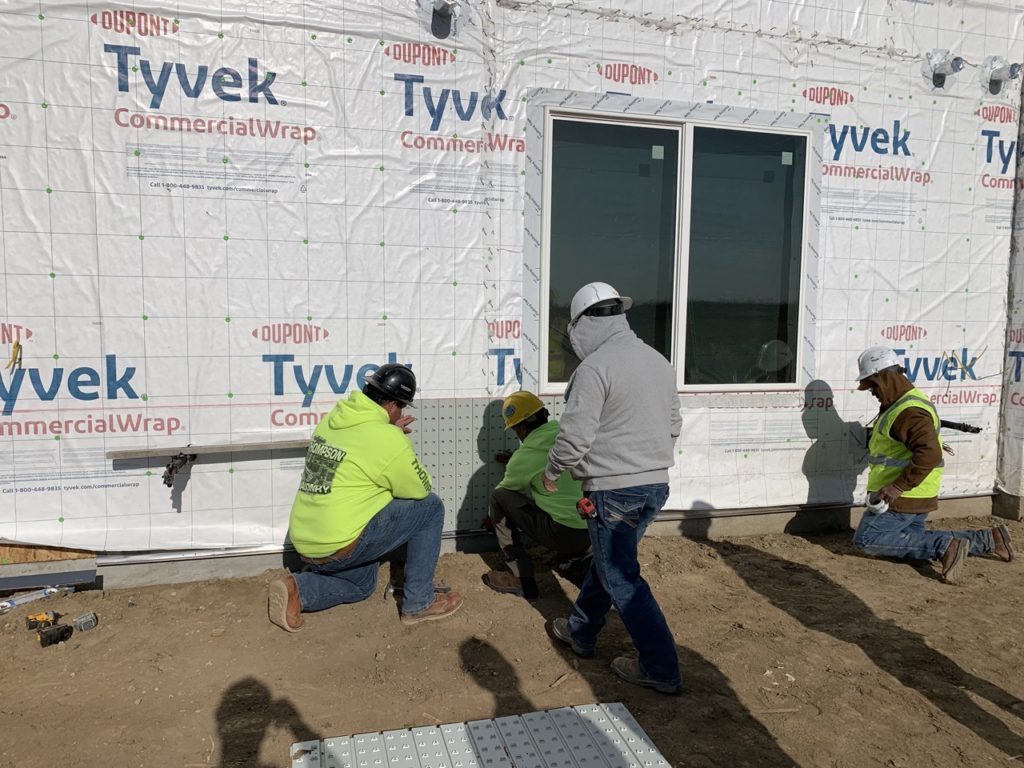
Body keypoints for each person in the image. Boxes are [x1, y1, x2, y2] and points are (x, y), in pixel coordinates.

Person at [542, 281, 683, 695]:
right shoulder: (657, 360)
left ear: (583, 324)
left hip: (614, 491)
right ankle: (581, 631)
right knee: (609, 564)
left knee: (622, 578)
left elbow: (575, 437)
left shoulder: (594, 369)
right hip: (655, 486)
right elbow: (674, 424)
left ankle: (660, 667)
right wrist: (646, 461)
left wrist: (552, 471)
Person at [268, 363, 463, 631]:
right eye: (402, 407)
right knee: (430, 507)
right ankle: (420, 603)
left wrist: (389, 433)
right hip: (340, 544)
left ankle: (299, 589)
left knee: (361, 585)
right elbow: (419, 488)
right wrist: (395, 438)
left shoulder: (333, 420)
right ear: (392, 406)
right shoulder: (385, 437)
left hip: (307, 544)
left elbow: (362, 454)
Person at [853, 346, 1014, 583]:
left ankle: (945, 546)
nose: (873, 393)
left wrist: (897, 486)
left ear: (884, 378)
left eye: (873, 386)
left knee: (867, 539)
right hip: (918, 493)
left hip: (902, 497)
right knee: (911, 541)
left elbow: (929, 453)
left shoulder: (908, 412)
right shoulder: (905, 403)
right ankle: (989, 539)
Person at [483, 391, 592, 599]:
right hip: (593, 530)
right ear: (544, 414)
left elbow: (508, 491)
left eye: (515, 430)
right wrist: (516, 459)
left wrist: (491, 518)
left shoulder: (524, 457)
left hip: (562, 535)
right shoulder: (569, 437)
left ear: (522, 428)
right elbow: (547, 459)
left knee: (499, 497)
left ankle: (520, 578)